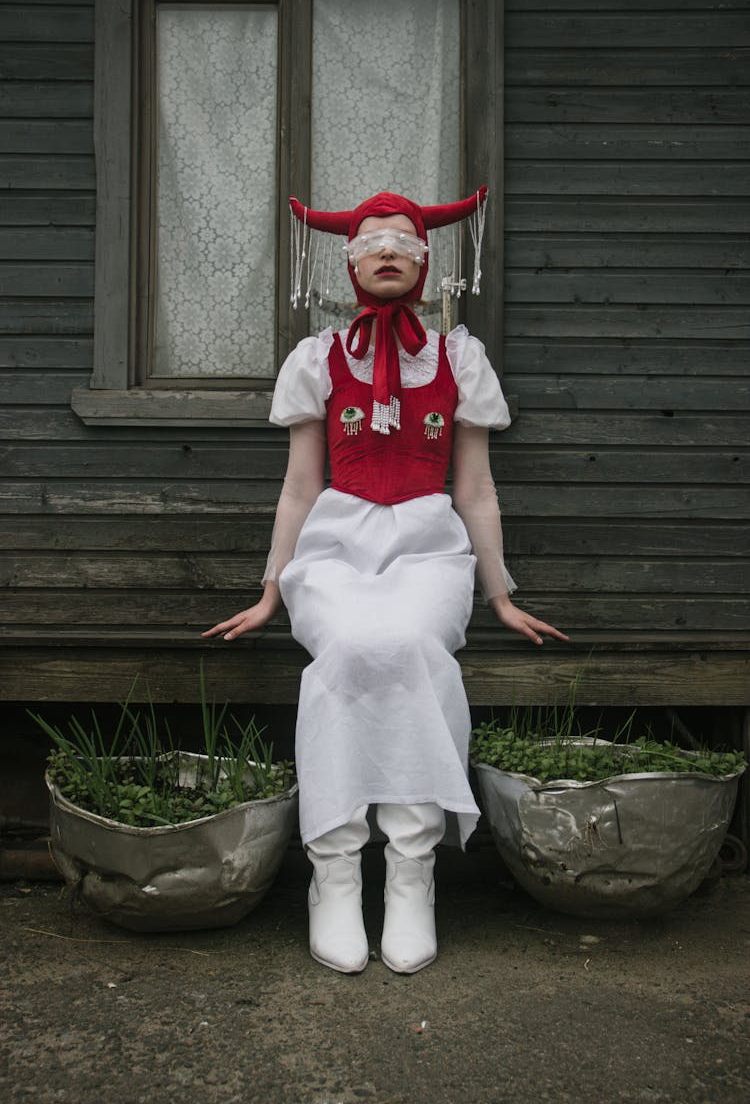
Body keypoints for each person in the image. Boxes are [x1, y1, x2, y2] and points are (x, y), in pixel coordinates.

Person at [203, 187, 568, 975]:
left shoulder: (456, 358)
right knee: (347, 648)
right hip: (335, 547)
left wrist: (499, 593)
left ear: (428, 260)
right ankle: (334, 870)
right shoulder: (320, 358)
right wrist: (271, 588)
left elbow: (474, 489)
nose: (390, 250)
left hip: (428, 548)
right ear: (351, 262)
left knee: (406, 645)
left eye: (405, 239)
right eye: (374, 241)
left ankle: (411, 871)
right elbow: (300, 486)